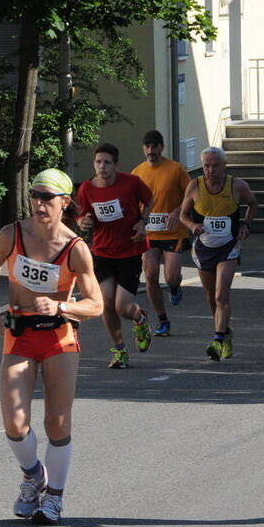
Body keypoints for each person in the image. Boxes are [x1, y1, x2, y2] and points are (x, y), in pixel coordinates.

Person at [0, 169, 103, 525]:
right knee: (15, 423)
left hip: (58, 338)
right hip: (19, 334)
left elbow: (95, 304)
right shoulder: (12, 234)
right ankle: (33, 475)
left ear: (64, 202)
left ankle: (55, 498)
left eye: (47, 197)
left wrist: (63, 306)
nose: (39, 203)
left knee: (57, 422)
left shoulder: (74, 248)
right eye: (35, 195)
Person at [76, 143, 155, 368]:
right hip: (102, 252)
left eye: (107, 162)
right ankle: (119, 351)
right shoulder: (86, 189)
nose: (102, 166)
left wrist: (143, 221)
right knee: (106, 304)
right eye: (98, 162)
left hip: (129, 250)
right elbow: (81, 216)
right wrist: (83, 222)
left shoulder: (131, 183)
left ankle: (140, 318)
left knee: (122, 307)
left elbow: (150, 200)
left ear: (116, 165)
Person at [180, 147, 258, 361]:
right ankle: (225, 332)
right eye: (206, 166)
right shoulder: (195, 186)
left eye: (215, 166)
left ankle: (217, 339)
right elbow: (183, 215)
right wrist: (192, 225)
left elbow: (253, 204)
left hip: (228, 247)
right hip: (204, 247)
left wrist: (246, 225)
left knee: (221, 294)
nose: (210, 170)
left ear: (224, 166)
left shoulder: (237, 185)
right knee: (210, 298)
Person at [132, 130, 192, 337]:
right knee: (150, 276)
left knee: (172, 276)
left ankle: (175, 287)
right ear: (143, 148)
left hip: (173, 232)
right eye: (147, 146)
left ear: (161, 147)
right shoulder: (137, 173)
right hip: (149, 233)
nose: (151, 150)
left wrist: (178, 211)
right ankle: (162, 319)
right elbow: (131, 202)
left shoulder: (175, 169)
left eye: (155, 146)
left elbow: (191, 194)